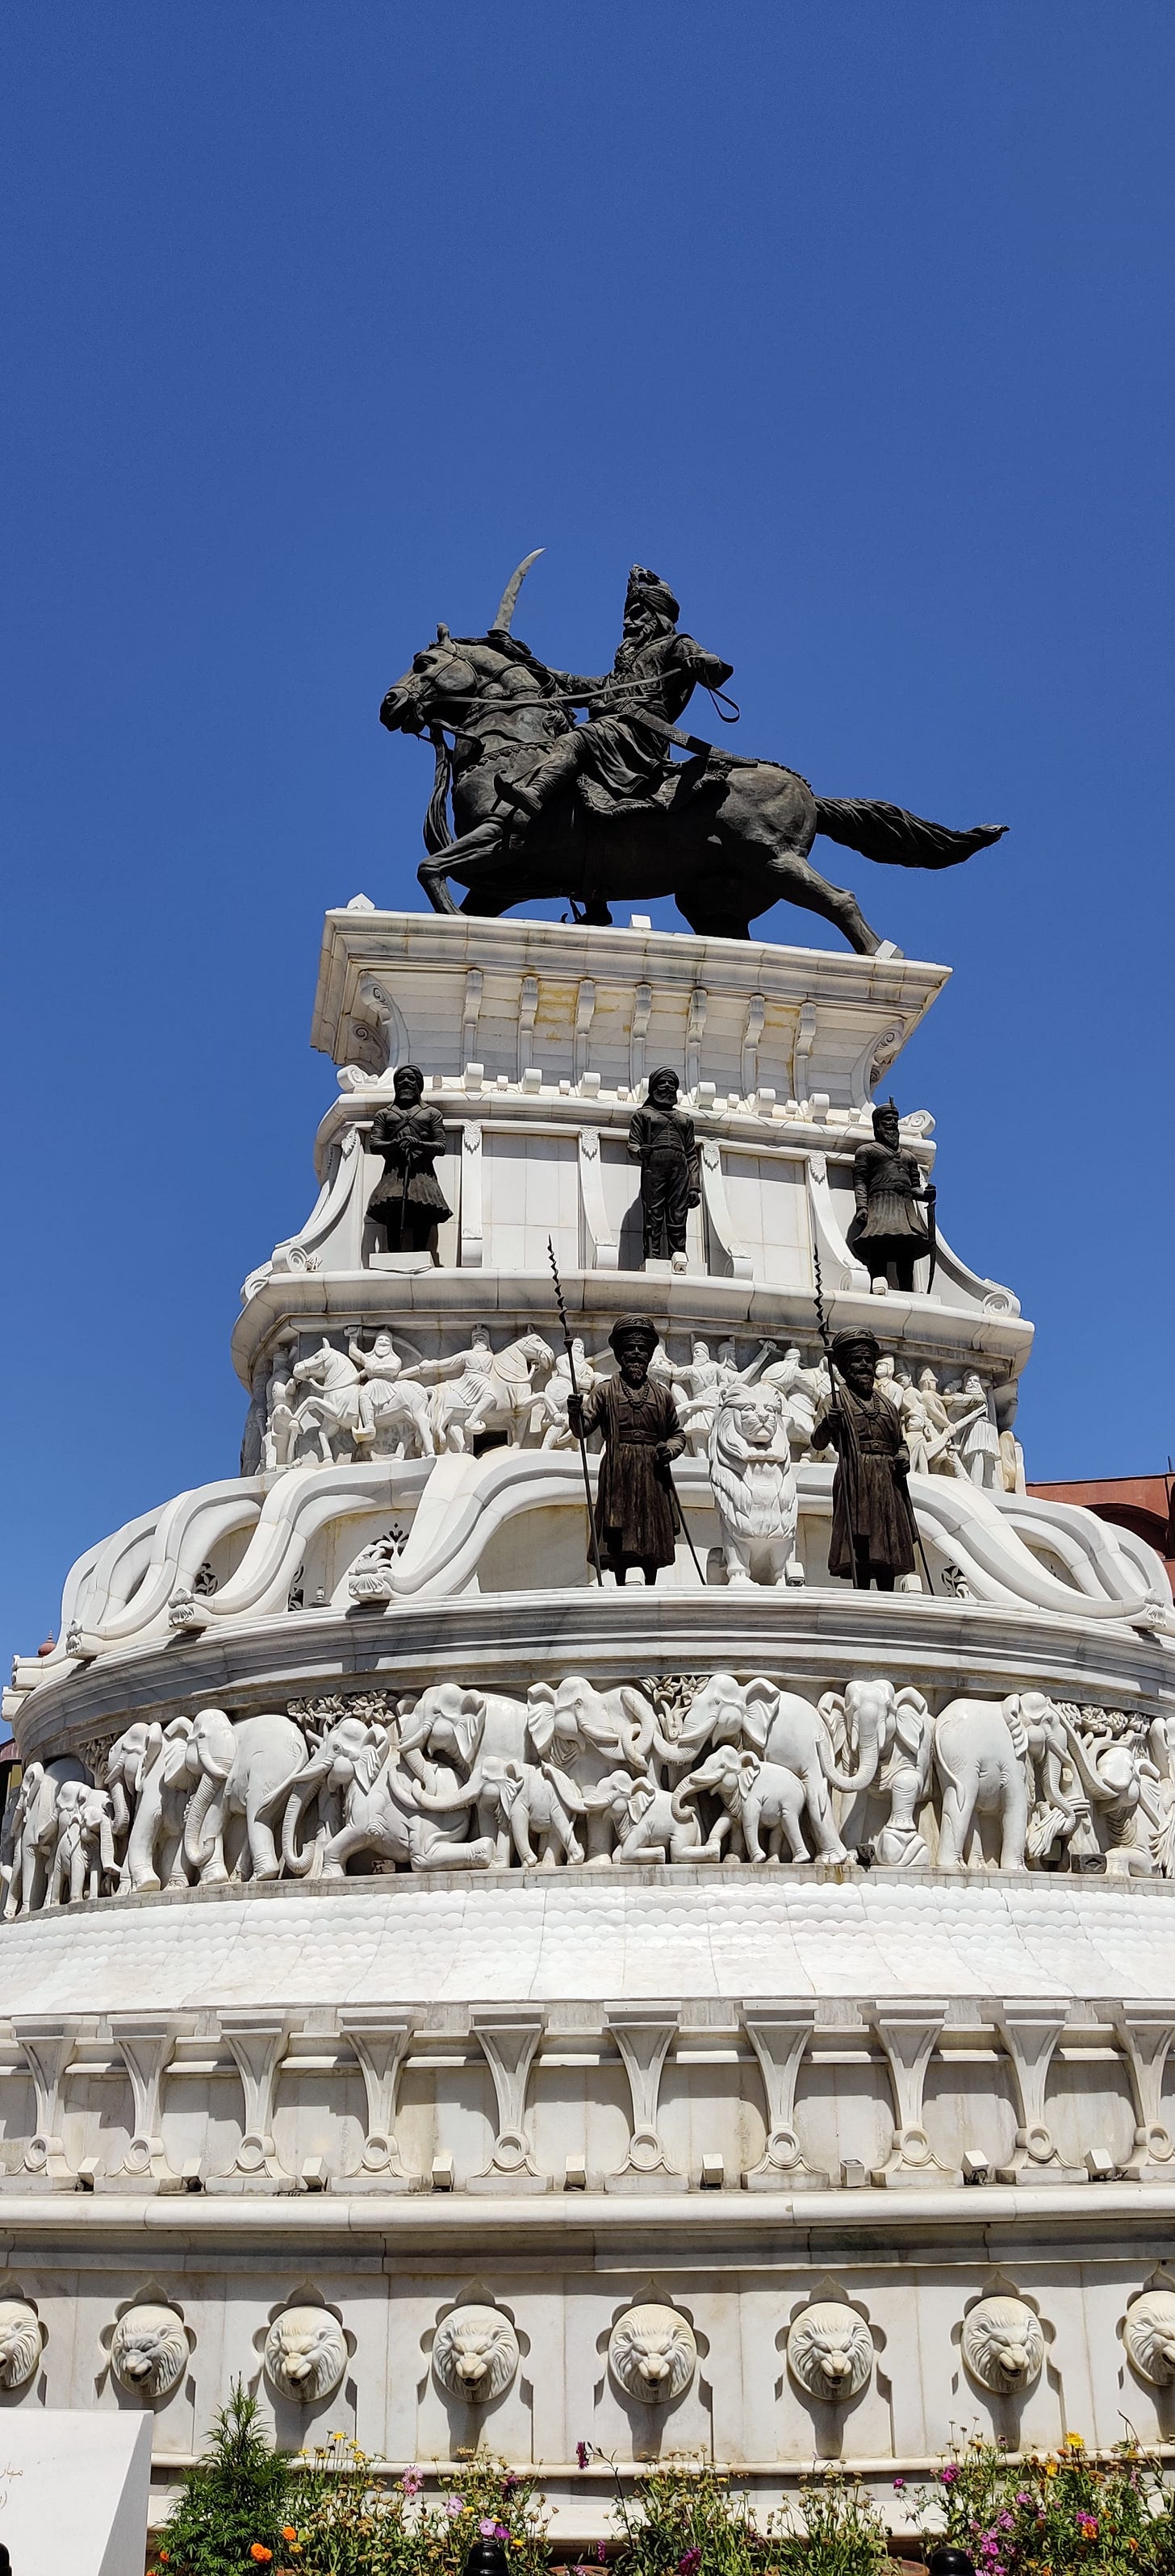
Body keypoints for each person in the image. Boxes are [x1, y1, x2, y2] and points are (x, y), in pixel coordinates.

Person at [494, 564, 734, 837]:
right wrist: (530, 664)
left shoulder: (676, 643)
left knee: (578, 738)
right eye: (627, 616)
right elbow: (580, 685)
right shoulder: (620, 672)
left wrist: (703, 662)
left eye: (636, 614)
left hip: (641, 732)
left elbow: (715, 669)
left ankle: (537, 792)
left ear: (657, 615)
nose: (627, 623)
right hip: (614, 729)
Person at [567, 1317, 685, 1585]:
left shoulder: (662, 1395)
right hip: (618, 1468)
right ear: (620, 1355)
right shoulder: (604, 1391)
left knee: (651, 1527)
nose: (636, 1354)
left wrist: (670, 1450)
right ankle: (619, 1581)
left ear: (649, 1356)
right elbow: (583, 1428)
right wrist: (575, 1412)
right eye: (630, 1349)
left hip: (653, 1468)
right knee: (619, 1530)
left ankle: (651, 1581)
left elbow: (677, 1434)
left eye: (642, 1349)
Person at [811, 1327, 919, 1590]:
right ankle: (862, 1595)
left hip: (887, 1478)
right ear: (845, 1366)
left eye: (868, 1361)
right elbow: (818, 1442)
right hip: (855, 1475)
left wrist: (903, 1457)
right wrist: (828, 1424)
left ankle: (888, 1595)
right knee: (860, 1544)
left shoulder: (887, 1404)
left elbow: (900, 1443)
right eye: (857, 1360)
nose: (864, 1366)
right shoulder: (834, 1401)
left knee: (888, 1541)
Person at [847, 1100, 934, 1292]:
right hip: (880, 1205)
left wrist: (926, 1194)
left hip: (905, 1209)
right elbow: (860, 1181)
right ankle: (877, 1285)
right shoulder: (867, 1151)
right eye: (887, 1120)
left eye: (895, 1120)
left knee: (906, 1250)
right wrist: (861, 1207)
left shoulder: (909, 1157)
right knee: (878, 1245)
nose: (892, 1124)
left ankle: (907, 1291)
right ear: (878, 1125)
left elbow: (915, 1188)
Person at [366, 1063, 452, 1255]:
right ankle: (393, 1254)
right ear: (396, 1085)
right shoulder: (384, 1114)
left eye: (411, 1079)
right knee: (392, 1210)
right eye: (401, 1079)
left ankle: (421, 1254)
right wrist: (395, 1144)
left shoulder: (432, 1114)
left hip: (422, 1174)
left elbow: (441, 1146)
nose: (406, 1082)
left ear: (419, 1084)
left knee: (423, 1210)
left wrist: (418, 1144)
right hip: (393, 1175)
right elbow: (375, 1145)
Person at [627, 1067, 700, 1266]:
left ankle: (679, 1255)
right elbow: (633, 1145)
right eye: (662, 1083)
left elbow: (691, 1154)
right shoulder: (643, 1115)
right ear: (653, 1088)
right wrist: (640, 1152)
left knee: (679, 1213)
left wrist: (694, 1187)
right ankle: (653, 1256)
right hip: (654, 1165)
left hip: (680, 1168)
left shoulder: (685, 1119)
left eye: (671, 1084)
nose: (667, 1086)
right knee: (654, 1213)